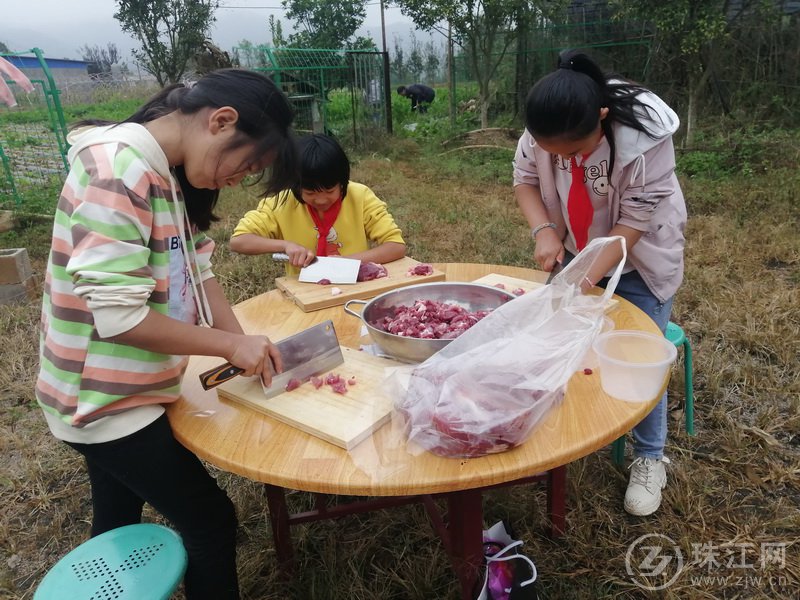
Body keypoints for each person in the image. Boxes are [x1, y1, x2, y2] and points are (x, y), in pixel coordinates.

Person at [35, 69, 298, 599]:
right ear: (221, 121)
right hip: (103, 400)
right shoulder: (117, 169)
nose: (237, 181)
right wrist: (229, 346)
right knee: (210, 522)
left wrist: (249, 346)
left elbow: (200, 272)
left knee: (117, 521)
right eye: (246, 165)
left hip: (129, 388)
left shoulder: (165, 174)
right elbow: (120, 318)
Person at [513, 50, 686, 516]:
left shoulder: (646, 138)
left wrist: (583, 278)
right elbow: (525, 181)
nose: (563, 160)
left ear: (602, 118)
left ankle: (650, 458)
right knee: (567, 340)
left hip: (639, 256)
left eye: (572, 153)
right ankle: (574, 432)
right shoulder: (544, 131)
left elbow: (632, 225)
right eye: (554, 154)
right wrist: (545, 231)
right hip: (578, 242)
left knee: (638, 358)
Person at [230, 133, 406, 271]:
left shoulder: (360, 197)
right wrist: (285, 245)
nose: (321, 200)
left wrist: (347, 263)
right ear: (296, 186)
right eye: (310, 192)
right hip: (305, 292)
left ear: (342, 182)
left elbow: (396, 246)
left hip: (354, 285)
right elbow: (239, 241)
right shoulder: (281, 203)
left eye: (330, 191)